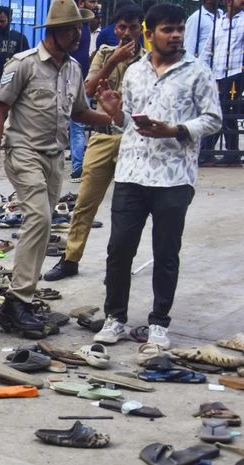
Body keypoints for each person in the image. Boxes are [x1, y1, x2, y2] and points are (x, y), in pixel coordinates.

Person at [93, 3, 222, 348]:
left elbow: (213, 119)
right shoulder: (134, 71)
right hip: (132, 173)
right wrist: (114, 112)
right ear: (149, 34)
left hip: (173, 178)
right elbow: (128, 124)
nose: (176, 35)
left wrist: (175, 129)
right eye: (168, 29)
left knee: (166, 253)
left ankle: (159, 324)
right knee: (119, 249)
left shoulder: (199, 72)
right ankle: (115, 318)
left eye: (179, 28)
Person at [0, 0, 111, 337]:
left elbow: (80, 113)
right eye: (75, 28)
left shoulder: (73, 69)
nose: (80, 34)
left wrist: (115, 119)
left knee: (42, 224)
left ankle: (20, 300)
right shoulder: (23, 64)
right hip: (23, 151)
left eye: (82, 28)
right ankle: (17, 300)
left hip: (54, 157)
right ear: (57, 32)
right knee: (39, 217)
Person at [44, 4, 147, 282]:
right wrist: (113, 60)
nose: (126, 33)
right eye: (121, 27)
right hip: (103, 137)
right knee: (85, 203)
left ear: (141, 29)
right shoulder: (103, 54)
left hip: (134, 141)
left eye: (133, 27)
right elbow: (87, 90)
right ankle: (70, 259)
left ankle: (119, 265)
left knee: (127, 209)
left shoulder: (148, 61)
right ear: (115, 28)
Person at [199, 0, 244, 166]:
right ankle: (216, 152)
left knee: (227, 109)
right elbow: (207, 50)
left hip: (235, 73)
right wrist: (202, 71)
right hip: (217, 73)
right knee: (217, 110)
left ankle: (216, 152)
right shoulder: (219, 23)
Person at [68, 0, 100, 182]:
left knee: (76, 124)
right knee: (76, 124)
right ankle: (78, 164)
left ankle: (78, 166)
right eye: (92, 1)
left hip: (79, 76)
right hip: (77, 76)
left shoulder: (84, 25)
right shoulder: (82, 25)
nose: (96, 5)